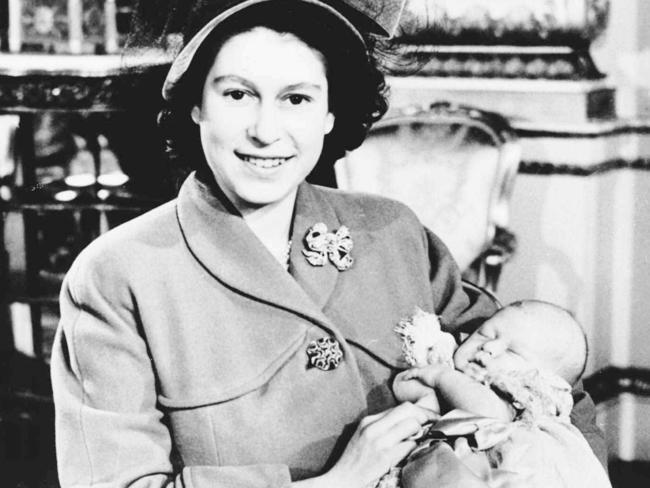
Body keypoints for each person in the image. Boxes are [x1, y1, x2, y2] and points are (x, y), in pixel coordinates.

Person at [50, 1, 604, 487]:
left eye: (296, 99)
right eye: (238, 94)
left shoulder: (394, 234)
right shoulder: (117, 276)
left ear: (330, 113)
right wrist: (338, 481)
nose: (267, 130)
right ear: (196, 106)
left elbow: (550, 387)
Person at [392, 301, 611, 488]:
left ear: (545, 379)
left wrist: (441, 377)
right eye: (485, 333)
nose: (490, 347)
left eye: (512, 351)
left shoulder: (523, 392)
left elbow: (487, 413)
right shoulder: (461, 372)